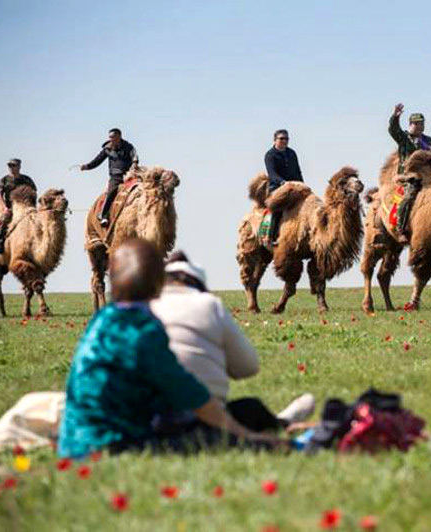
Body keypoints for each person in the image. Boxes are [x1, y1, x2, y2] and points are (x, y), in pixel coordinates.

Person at [57, 239, 284, 458]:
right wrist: (246, 437)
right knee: (218, 436)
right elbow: (189, 393)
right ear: (158, 284)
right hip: (116, 443)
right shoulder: (144, 332)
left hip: (72, 442)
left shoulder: (101, 320)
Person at [149, 250, 314, 433]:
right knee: (250, 409)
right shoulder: (210, 305)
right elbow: (248, 366)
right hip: (208, 419)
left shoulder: (146, 308)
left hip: (153, 419)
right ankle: (281, 423)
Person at [388, 103, 431, 242]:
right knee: (409, 197)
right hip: (410, 178)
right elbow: (393, 130)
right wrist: (395, 117)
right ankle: (401, 229)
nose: (420, 126)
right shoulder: (404, 139)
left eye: (422, 123)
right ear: (410, 125)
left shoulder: (430, 141)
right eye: (416, 124)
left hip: (430, 177)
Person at [79, 128, 139, 227]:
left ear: (119, 136)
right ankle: (103, 215)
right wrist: (87, 166)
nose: (111, 139)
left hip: (130, 175)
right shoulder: (107, 148)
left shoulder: (129, 147)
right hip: (116, 177)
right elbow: (98, 160)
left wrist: (135, 163)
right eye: (110, 137)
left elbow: (135, 156)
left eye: (113, 137)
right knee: (111, 192)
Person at [263, 129, 303, 246]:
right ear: (275, 140)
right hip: (277, 187)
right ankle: (272, 236)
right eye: (281, 138)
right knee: (277, 208)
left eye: (286, 139)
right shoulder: (270, 155)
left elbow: (297, 171)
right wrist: (283, 183)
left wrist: (302, 184)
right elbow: (272, 174)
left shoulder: (292, 153)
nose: (284, 141)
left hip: (293, 186)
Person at [0, 159, 37, 254]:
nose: (11, 168)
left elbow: (34, 193)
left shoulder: (26, 180)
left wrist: (33, 206)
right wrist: (5, 207)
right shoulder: (4, 180)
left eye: (13, 165)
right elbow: (0, 195)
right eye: (9, 165)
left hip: (25, 207)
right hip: (10, 207)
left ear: (19, 166)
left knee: (36, 222)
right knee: (4, 220)